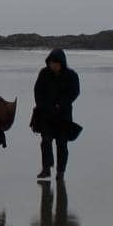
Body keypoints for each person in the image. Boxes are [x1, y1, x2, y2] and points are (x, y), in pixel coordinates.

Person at [31, 48, 80, 180]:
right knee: (45, 141)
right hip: (46, 115)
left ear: (62, 63)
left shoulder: (71, 75)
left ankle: (60, 172)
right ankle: (46, 168)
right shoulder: (44, 73)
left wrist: (60, 105)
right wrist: (43, 106)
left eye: (56, 63)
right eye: (51, 62)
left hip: (63, 116)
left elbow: (74, 92)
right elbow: (37, 91)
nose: (53, 65)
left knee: (62, 144)